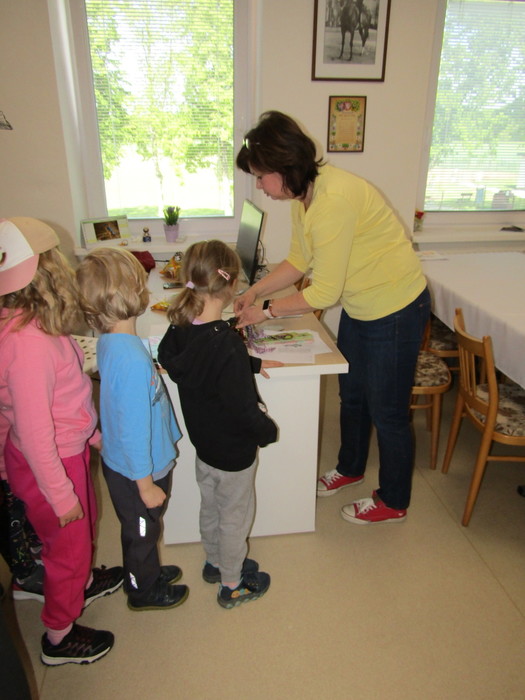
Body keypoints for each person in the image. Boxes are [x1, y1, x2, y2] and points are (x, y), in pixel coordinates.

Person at [235, 111, 431, 525]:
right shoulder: (304, 198)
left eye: (261, 176)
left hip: (395, 308)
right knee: (353, 395)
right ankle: (351, 468)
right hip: (363, 306)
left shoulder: (333, 201)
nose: (260, 185)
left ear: (284, 167)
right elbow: (298, 261)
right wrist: (255, 291)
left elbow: (324, 293)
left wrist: (266, 311)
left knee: (388, 412)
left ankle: (393, 500)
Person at [0, 217, 122, 666]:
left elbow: (55, 403)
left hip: (60, 452)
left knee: (78, 538)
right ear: (48, 272)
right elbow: (36, 432)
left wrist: (90, 433)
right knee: (69, 548)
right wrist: (60, 495)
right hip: (51, 464)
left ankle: (80, 581)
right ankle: (59, 635)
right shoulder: (30, 345)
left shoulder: (29, 325)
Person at [157, 240, 278, 608]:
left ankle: (214, 561)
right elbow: (243, 409)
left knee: (211, 507)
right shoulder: (226, 345)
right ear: (231, 285)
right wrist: (267, 431)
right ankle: (231, 583)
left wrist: (250, 363)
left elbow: (190, 358)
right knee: (234, 518)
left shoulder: (180, 328)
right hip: (234, 454)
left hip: (205, 448)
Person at [76, 247, 189, 612]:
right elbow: (133, 428)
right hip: (139, 472)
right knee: (142, 532)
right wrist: (145, 486)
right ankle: (142, 590)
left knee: (146, 528)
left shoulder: (114, 342)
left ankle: (147, 572)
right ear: (134, 294)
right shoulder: (130, 359)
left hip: (134, 463)